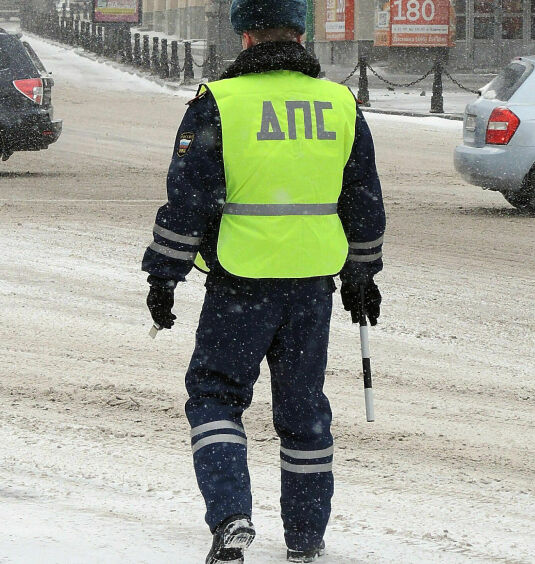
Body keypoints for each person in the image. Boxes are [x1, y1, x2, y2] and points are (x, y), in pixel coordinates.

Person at [142, 0, 385, 561]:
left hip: (240, 283)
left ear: (245, 38)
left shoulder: (220, 103)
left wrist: (165, 274)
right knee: (303, 412)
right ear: (300, 35)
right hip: (311, 283)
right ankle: (305, 539)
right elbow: (363, 197)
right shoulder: (339, 103)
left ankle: (231, 519)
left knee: (215, 397)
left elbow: (189, 199)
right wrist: (362, 274)